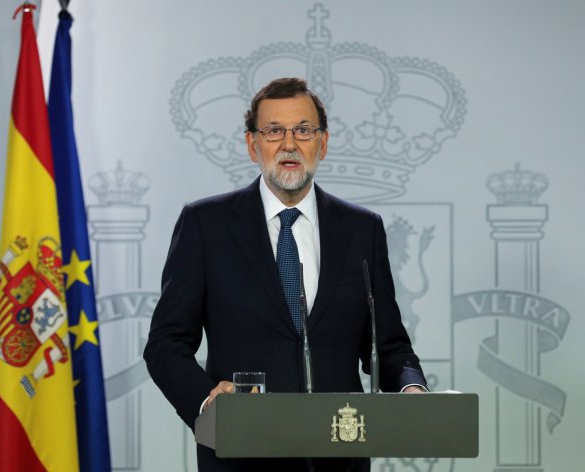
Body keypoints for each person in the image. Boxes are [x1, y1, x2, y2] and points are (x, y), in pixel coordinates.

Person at [144, 77, 427, 472]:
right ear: (252, 144)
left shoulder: (362, 230)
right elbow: (165, 344)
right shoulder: (206, 225)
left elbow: (389, 344)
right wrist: (208, 403)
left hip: (338, 459)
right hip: (240, 457)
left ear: (322, 144)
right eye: (274, 130)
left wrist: (412, 388)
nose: (289, 144)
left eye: (303, 130)